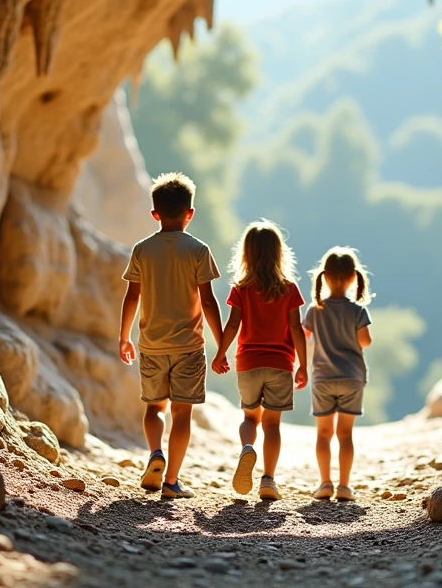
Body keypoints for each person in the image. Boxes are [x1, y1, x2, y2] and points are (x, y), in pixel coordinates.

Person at [118, 172, 223, 499]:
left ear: (155, 214)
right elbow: (208, 300)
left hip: (151, 345)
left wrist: (124, 337)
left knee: (154, 408)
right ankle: (172, 482)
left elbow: (132, 297)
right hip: (189, 347)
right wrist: (221, 345)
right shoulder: (198, 250)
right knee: (182, 413)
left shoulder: (142, 250)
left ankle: (154, 453)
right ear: (190, 213)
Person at [212, 221, 307, 501]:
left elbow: (232, 326)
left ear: (246, 254)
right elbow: (297, 330)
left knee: (250, 417)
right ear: (279, 253)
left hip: (248, 362)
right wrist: (302, 364)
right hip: (280, 364)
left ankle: (246, 447)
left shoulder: (241, 288)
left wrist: (220, 353)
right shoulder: (289, 289)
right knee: (273, 425)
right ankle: (268, 480)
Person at [304, 246, 373, 502]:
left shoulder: (315, 310)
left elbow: (304, 338)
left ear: (324, 276)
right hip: (352, 378)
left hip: (322, 378)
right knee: (345, 435)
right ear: (353, 278)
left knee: (323, 434)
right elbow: (365, 342)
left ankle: (325, 484)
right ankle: (344, 486)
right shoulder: (357, 311)